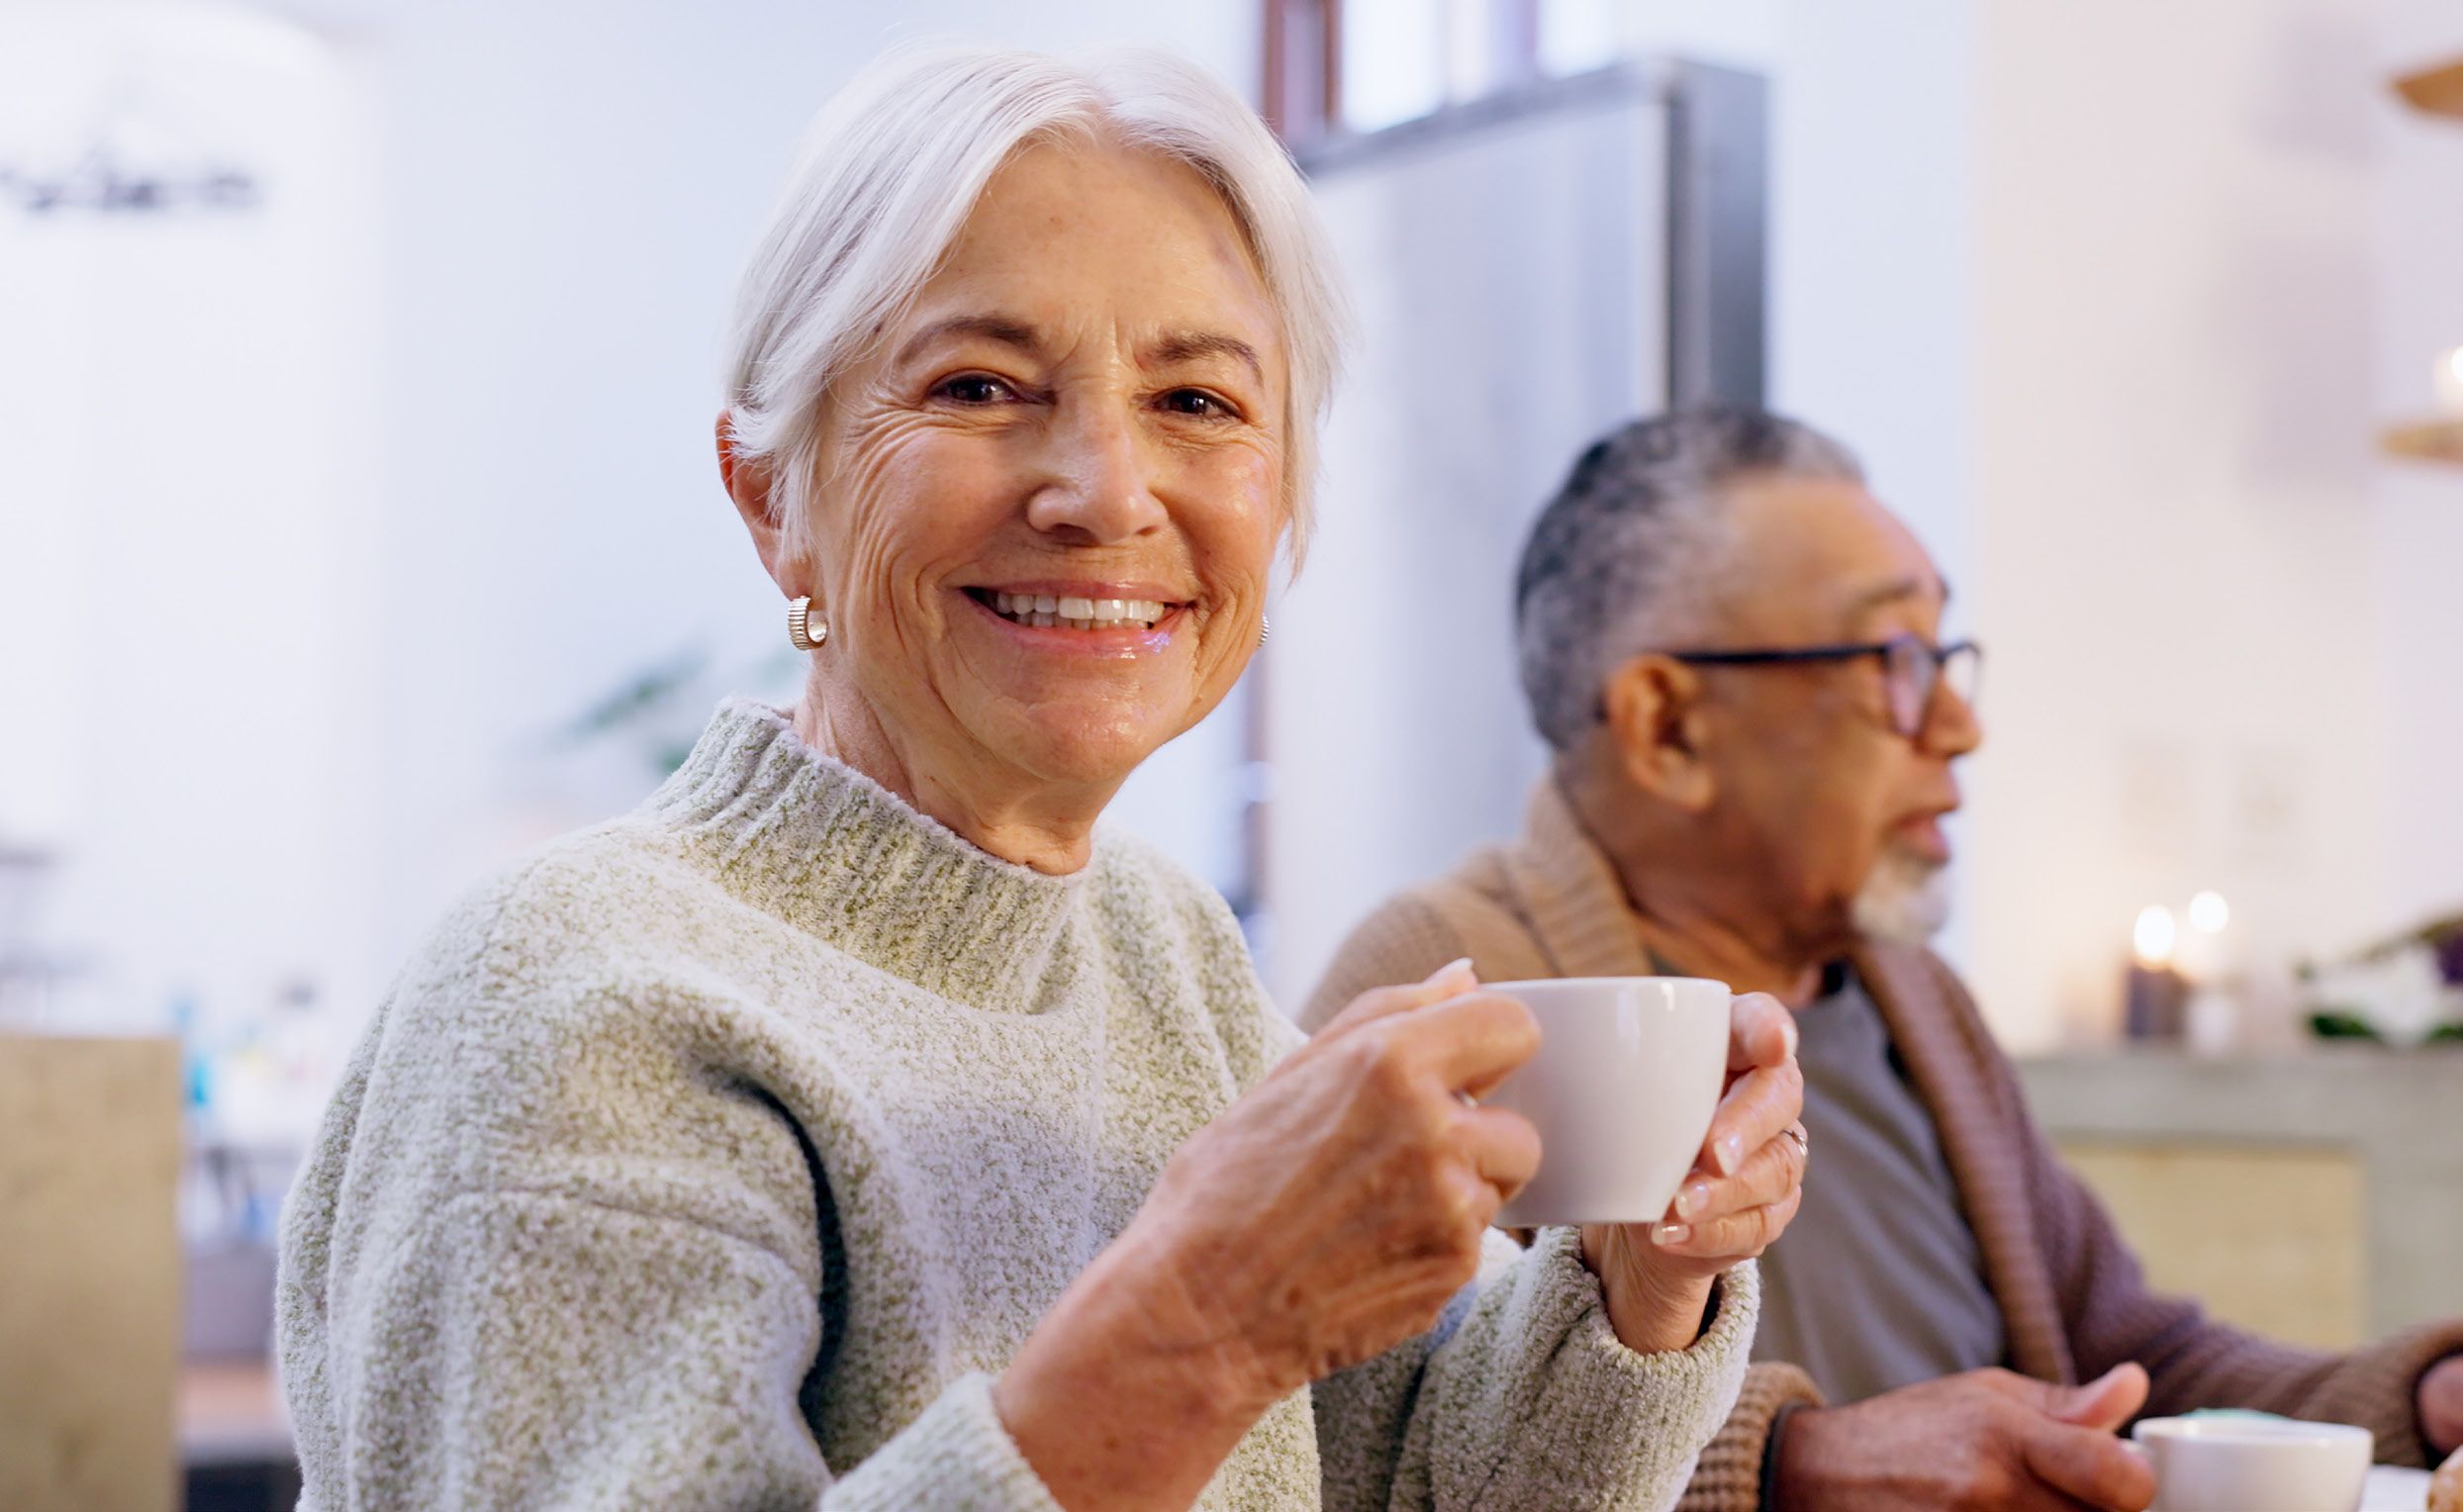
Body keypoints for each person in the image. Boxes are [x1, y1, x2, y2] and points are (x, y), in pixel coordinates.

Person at [276, 51, 1809, 1511]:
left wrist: (1637, 1281)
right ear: (771, 499)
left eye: (1199, 403)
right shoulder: (575, 998)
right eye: (979, 386)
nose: (1107, 493)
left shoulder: (1165, 949)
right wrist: (1200, 1331)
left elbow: (1420, 1483)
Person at [1306, 406, 2463, 1512]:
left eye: (1944, 654)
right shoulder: (1450, 974)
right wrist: (1790, 1467)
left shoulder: (1914, 996)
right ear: (1667, 726)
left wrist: (2420, 1398)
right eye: (1895, 658)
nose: (1959, 726)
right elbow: (1380, 1433)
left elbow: (2132, 1359)